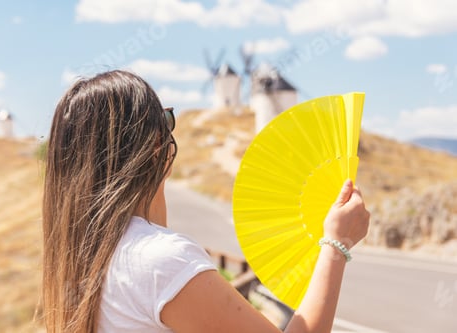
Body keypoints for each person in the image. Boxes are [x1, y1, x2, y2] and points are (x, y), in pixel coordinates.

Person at [42, 69, 370, 333]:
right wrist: (335, 245)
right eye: (166, 119)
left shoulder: (83, 258)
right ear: (155, 144)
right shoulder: (162, 261)